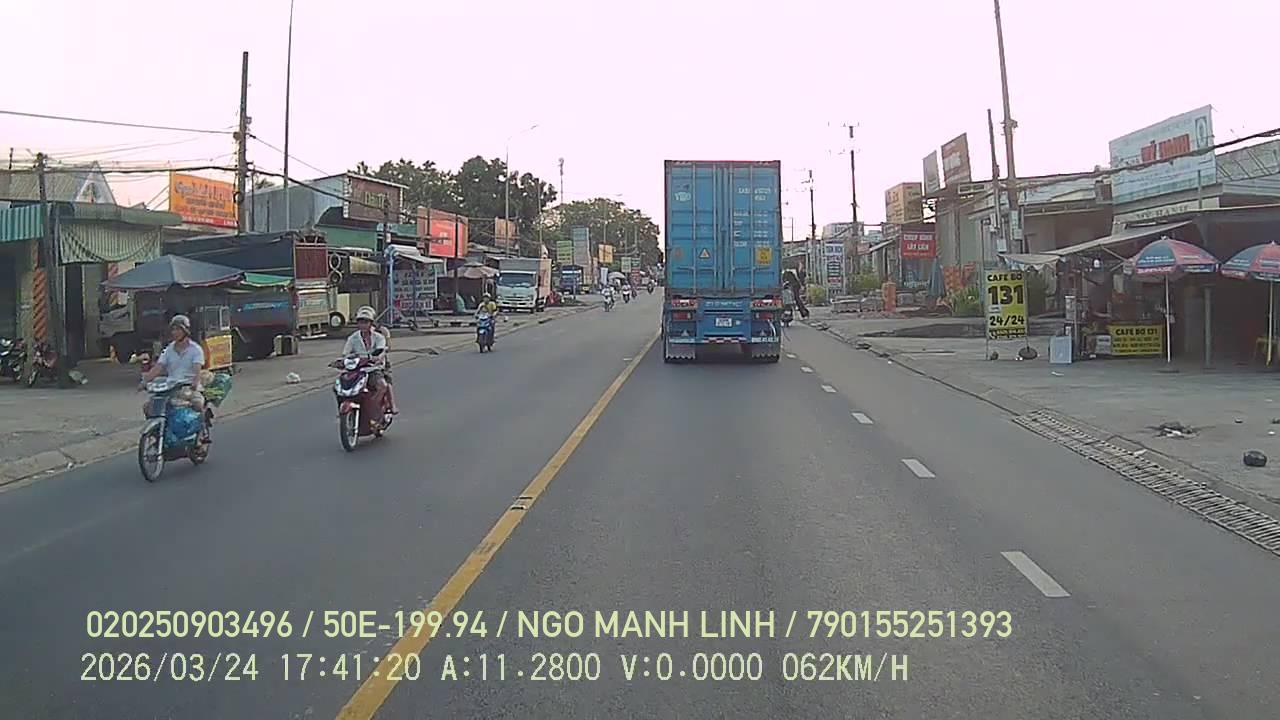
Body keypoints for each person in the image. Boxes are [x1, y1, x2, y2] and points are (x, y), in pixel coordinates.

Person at [139, 314, 206, 412]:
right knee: (148, 408)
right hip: (170, 388)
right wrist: (144, 381)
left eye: (178, 329)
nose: (175, 332)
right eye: (173, 330)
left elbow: (197, 370)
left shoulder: (196, 350)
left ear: (186, 331)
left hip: (188, 388)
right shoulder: (168, 350)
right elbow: (158, 367)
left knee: (197, 404)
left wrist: (195, 383)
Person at [343, 306, 398, 415]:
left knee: (383, 385)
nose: (363, 325)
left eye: (366, 322)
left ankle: (374, 407)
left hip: (374, 369)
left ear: (371, 323)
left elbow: (382, 350)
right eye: (360, 322)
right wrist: (343, 361)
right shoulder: (353, 338)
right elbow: (346, 354)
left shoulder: (379, 336)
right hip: (357, 370)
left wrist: (378, 357)